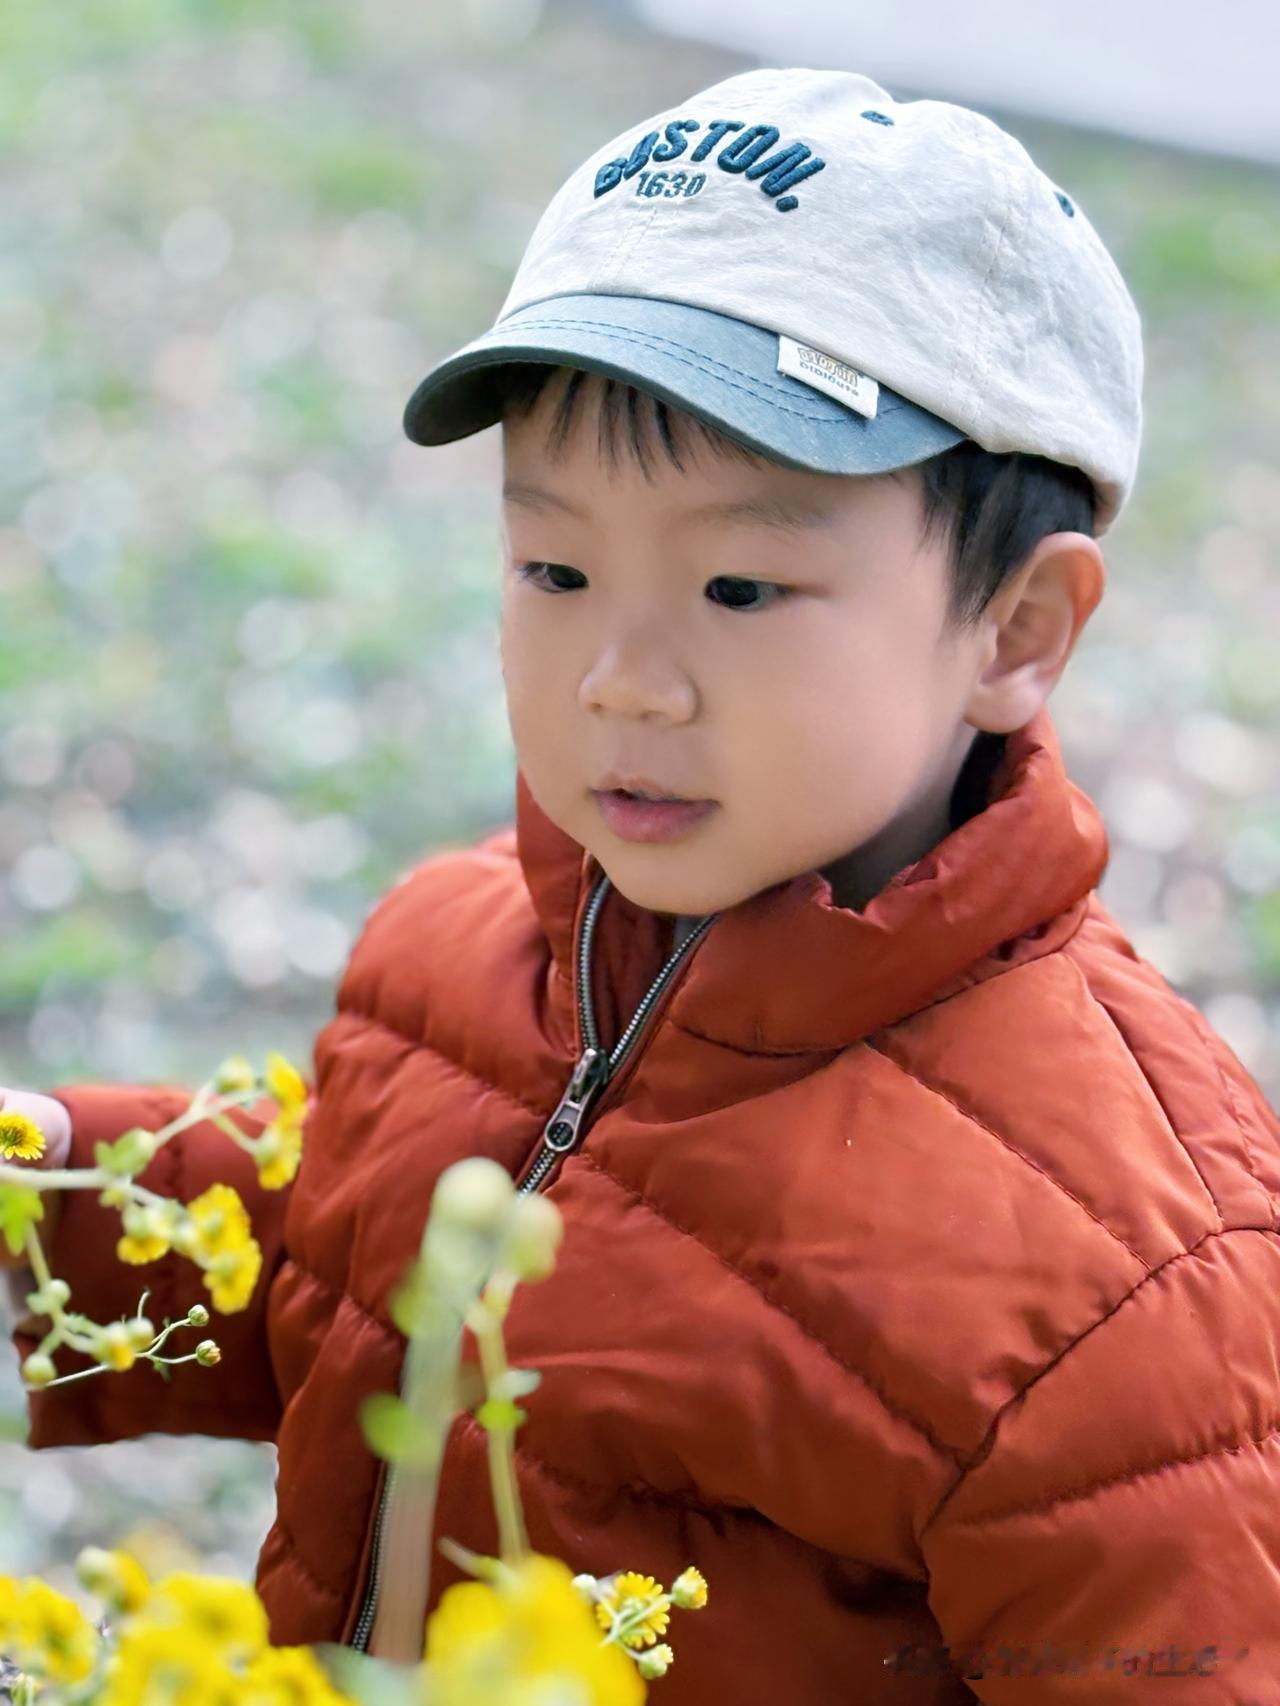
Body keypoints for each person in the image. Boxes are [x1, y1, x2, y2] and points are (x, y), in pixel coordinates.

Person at [5, 65, 1278, 1702]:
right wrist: (38, 1194)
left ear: (1016, 631)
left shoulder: (1133, 1277)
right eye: (555, 567)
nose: (623, 678)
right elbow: (337, 1247)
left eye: (741, 585)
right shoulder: (465, 939)